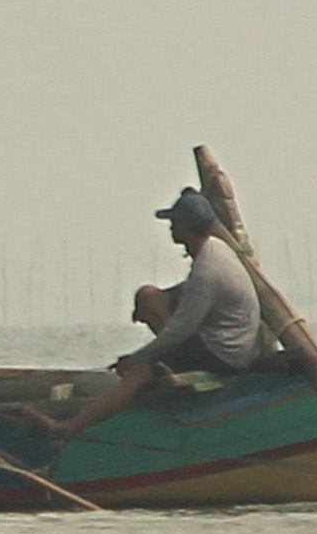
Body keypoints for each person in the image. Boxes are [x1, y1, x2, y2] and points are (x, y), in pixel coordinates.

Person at [41, 187, 266, 437]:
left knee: (141, 372)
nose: (171, 228)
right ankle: (163, 361)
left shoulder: (207, 271)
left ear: (186, 227)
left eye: (174, 223)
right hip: (226, 339)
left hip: (226, 353)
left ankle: (67, 428)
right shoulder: (215, 249)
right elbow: (187, 300)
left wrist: (138, 358)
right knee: (148, 297)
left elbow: (181, 329)